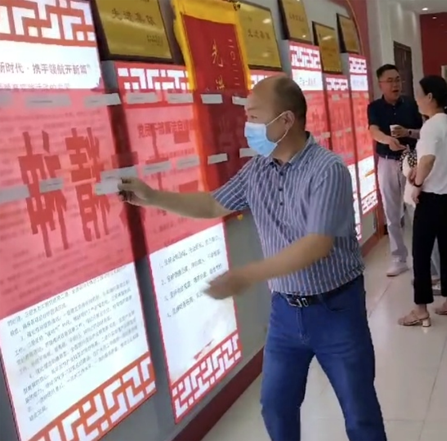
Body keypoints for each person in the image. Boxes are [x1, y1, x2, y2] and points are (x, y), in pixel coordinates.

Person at [118, 76, 386, 440]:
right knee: (275, 406)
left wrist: (247, 275)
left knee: (359, 412)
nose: (248, 126)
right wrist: (153, 197)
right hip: (285, 312)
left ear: (286, 120)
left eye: (254, 116)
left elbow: (316, 244)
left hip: (336, 309)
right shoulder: (257, 169)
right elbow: (213, 204)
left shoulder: (327, 169)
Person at [398, 75, 447, 327]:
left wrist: (416, 185)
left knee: (421, 253)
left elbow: (427, 161)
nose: (415, 99)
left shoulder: (431, 126)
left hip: (433, 200)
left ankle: (420, 309)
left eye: (418, 94)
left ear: (429, 97)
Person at [368, 64, 423, 277]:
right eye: (390, 81)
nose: (395, 85)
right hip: (387, 162)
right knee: (391, 213)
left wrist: (407, 132)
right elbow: (373, 130)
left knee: (416, 210)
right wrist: (387, 140)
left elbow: (422, 131)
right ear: (380, 84)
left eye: (398, 80)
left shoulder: (411, 104)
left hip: (411, 160)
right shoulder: (375, 107)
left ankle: (422, 257)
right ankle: (398, 258)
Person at [401, 146, 441, 290]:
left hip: (423, 197)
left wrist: (416, 177)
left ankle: (440, 274)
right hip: (417, 197)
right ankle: (432, 272)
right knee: (425, 239)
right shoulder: (411, 153)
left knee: (431, 239)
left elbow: (415, 172)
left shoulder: (426, 148)